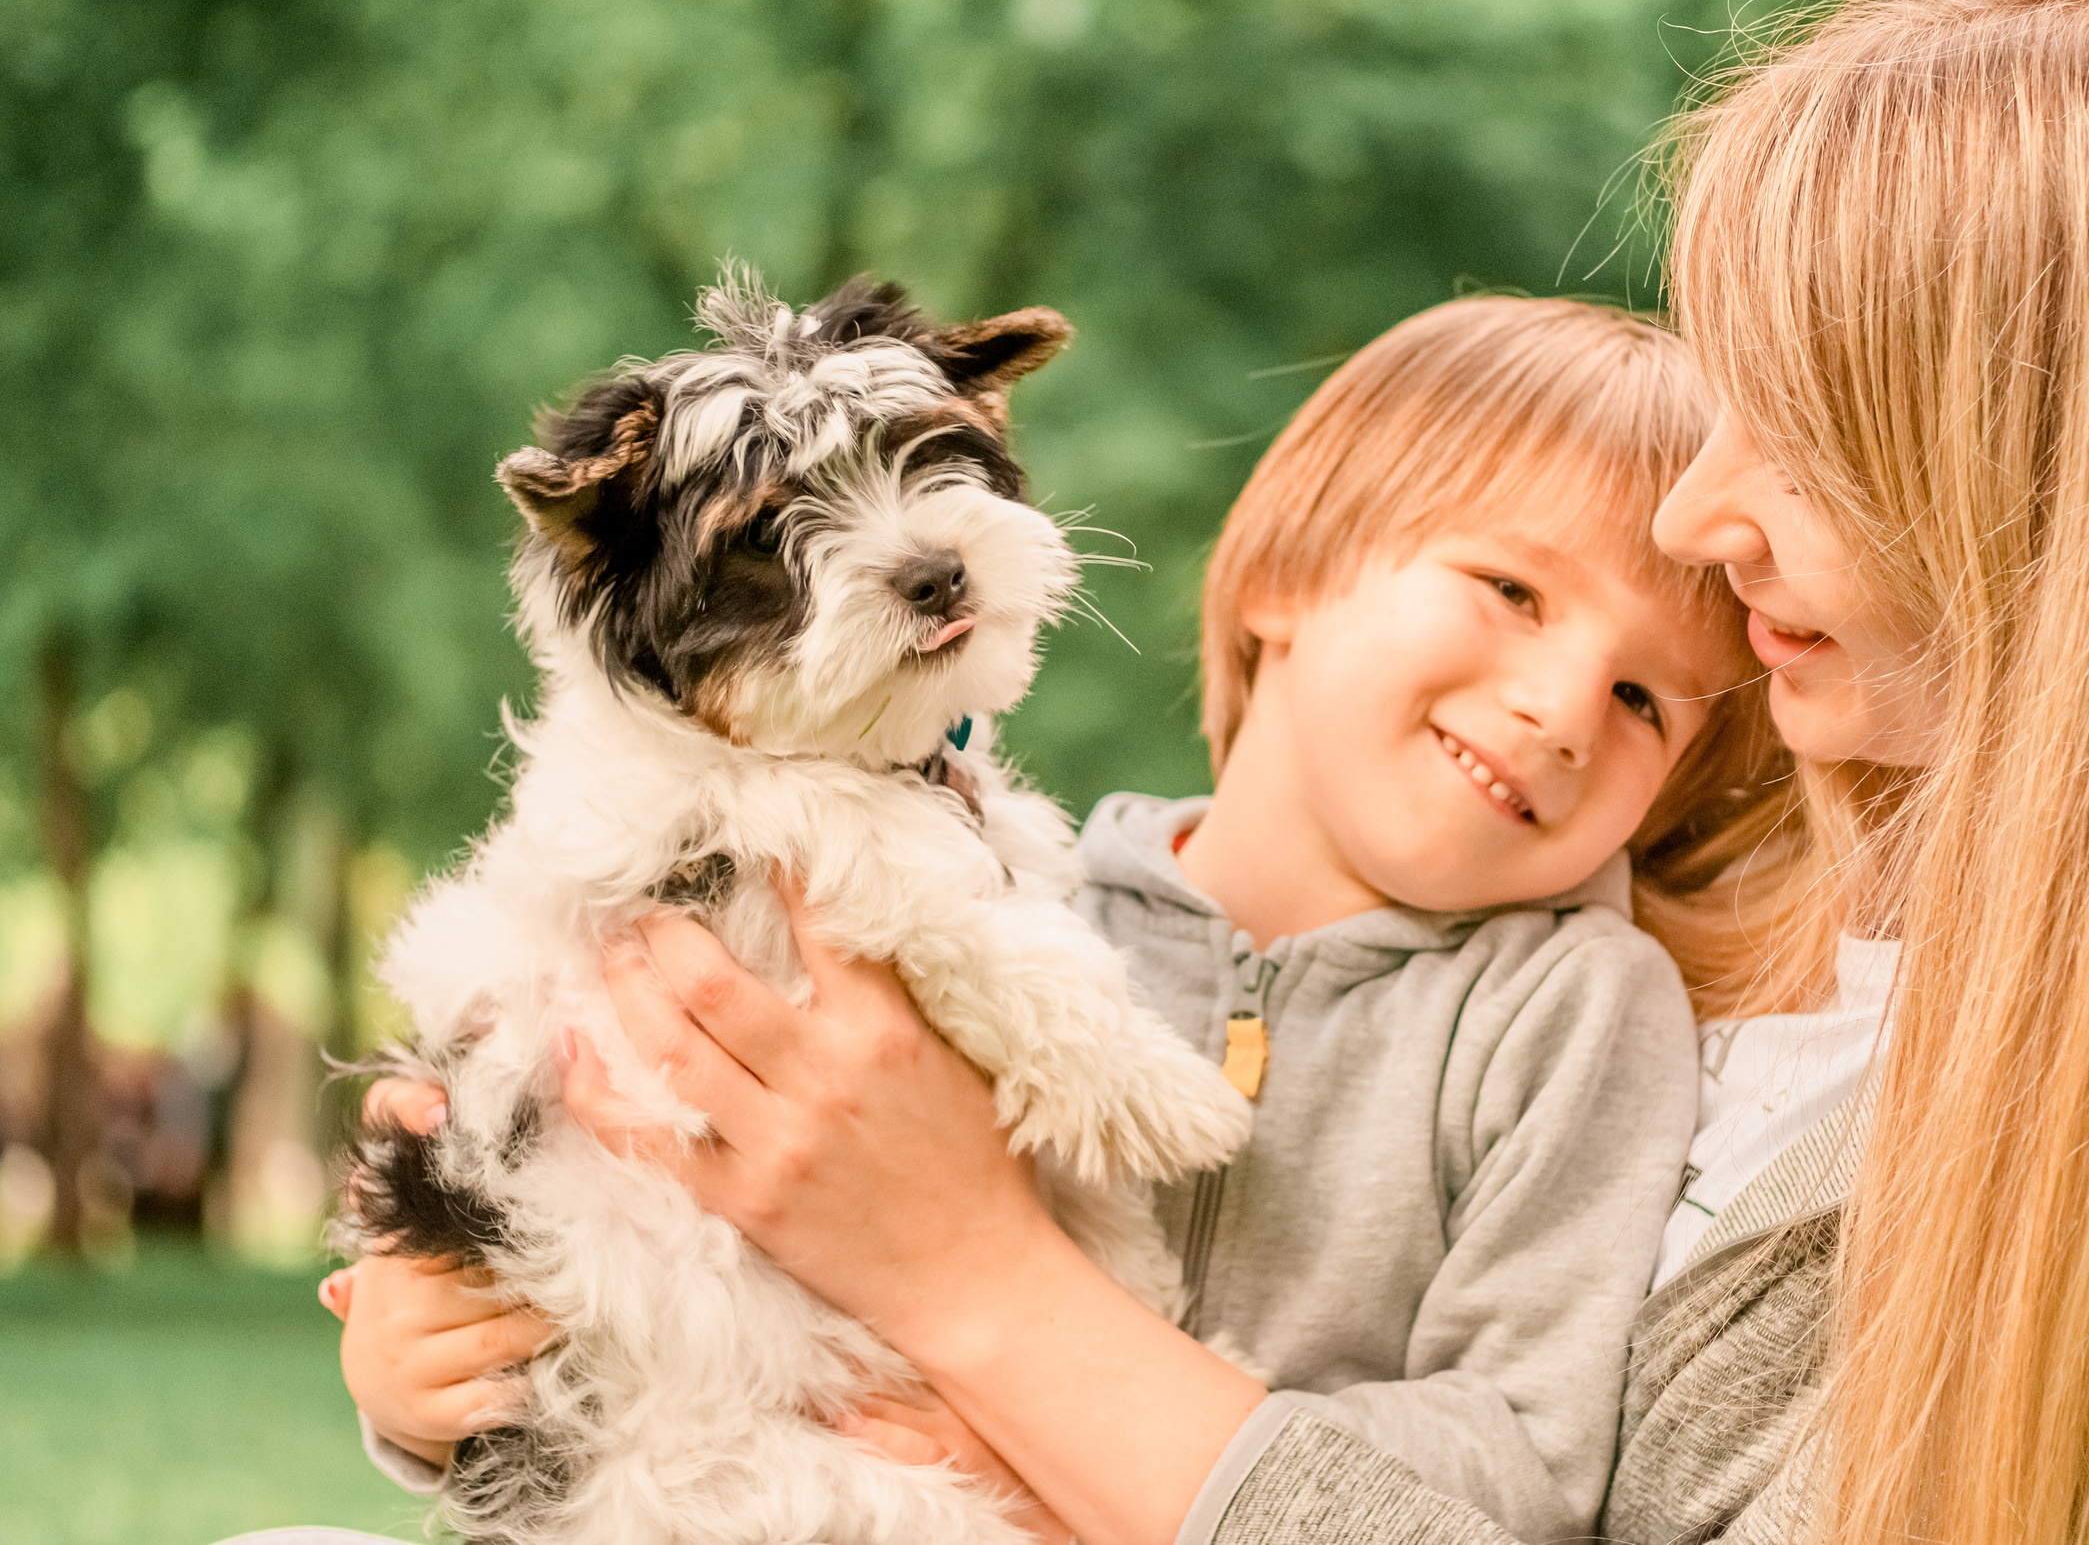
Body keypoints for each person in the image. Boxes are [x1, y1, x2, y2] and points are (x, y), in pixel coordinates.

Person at [445, 0, 2089, 1545]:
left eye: (1810, 429)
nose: (1699, 521)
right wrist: (483, 1344)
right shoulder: (1722, 919)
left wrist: (979, 1291)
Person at [322, 295, 1813, 1541]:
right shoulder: (998, 901)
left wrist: (1074, 1430)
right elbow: (651, 1216)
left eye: (1645, 699)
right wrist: (429, 1368)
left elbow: (1530, 1472)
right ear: (1287, 576)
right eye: (1511, 591)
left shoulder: (1575, 1012)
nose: (1560, 709)